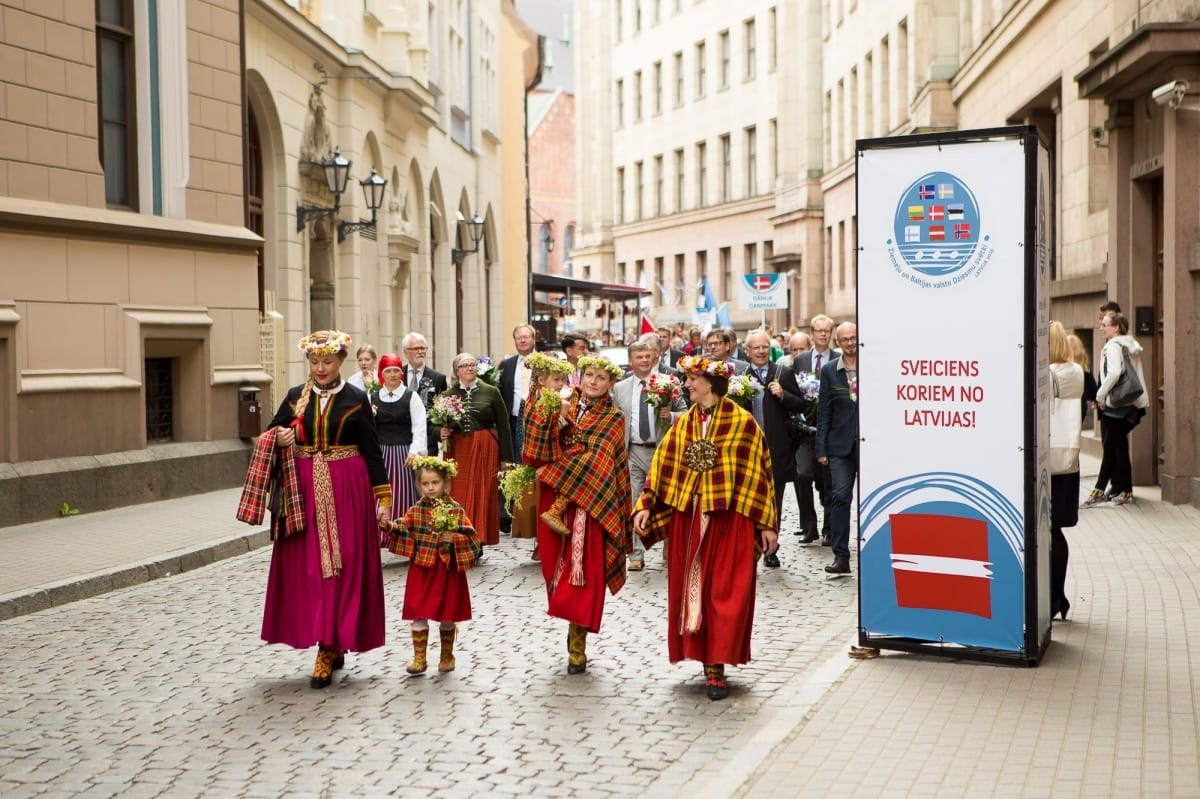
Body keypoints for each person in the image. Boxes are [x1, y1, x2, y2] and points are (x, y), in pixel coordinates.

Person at [632, 355, 779, 701]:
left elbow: (761, 476)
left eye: (692, 380)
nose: (686, 385)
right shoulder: (682, 425)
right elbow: (662, 467)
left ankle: (719, 660)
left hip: (732, 521)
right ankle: (710, 666)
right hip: (690, 520)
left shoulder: (743, 424)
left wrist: (766, 524)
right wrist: (646, 505)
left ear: (710, 383)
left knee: (728, 594)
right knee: (694, 589)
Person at [260, 330, 392, 689]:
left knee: (342, 564)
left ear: (340, 362)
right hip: (304, 492)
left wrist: (384, 499)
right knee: (311, 568)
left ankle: (330, 642)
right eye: (314, 361)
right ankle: (325, 638)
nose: (320, 368)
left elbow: (371, 450)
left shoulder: (356, 399)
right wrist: (281, 437)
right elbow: (270, 434)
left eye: (327, 361)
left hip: (347, 488)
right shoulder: (293, 398)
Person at [525, 354, 632, 674]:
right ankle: (567, 622)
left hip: (590, 505)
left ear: (611, 383)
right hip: (554, 499)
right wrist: (551, 421)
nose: (594, 382)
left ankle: (577, 647)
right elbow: (538, 446)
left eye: (601, 377)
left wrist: (561, 467)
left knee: (582, 573)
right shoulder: (562, 401)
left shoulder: (613, 417)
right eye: (589, 376)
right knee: (551, 564)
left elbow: (601, 463)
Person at [385, 456, 481, 674]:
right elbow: (404, 526)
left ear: (445, 483)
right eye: (425, 484)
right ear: (419, 485)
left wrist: (454, 538)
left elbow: (472, 538)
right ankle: (420, 658)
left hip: (446, 571)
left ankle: (447, 655)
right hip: (422, 568)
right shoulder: (416, 510)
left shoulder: (455, 509)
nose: (430, 488)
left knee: (447, 614)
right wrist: (389, 526)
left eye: (434, 483)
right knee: (418, 611)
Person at [613, 335, 687, 570]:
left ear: (654, 357)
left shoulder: (668, 382)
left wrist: (672, 415)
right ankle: (636, 554)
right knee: (635, 501)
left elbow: (685, 411)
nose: (644, 360)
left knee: (665, 499)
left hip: (662, 449)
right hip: (634, 450)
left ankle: (670, 546)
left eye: (647, 356)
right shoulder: (620, 388)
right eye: (639, 357)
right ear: (631, 361)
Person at [743, 330, 805, 568]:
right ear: (747, 351)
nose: (760, 352)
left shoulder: (783, 373)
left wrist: (783, 394)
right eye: (755, 348)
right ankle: (750, 545)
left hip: (775, 448)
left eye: (764, 347)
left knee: (774, 500)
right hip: (748, 450)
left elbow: (800, 403)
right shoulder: (740, 376)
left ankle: (771, 548)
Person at [437, 353, 514, 545]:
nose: (470, 368)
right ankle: (461, 536)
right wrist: (440, 431)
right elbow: (433, 423)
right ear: (457, 371)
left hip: (485, 447)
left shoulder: (491, 391)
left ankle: (479, 538)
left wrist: (506, 458)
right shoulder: (447, 396)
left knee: (484, 492)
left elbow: (504, 425)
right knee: (458, 492)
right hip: (458, 449)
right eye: (465, 366)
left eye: (473, 365)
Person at [1084, 311, 1148, 507]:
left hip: (1116, 405)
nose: (1101, 328)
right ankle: (1105, 490)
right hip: (1130, 403)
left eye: (1105, 325)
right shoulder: (1129, 344)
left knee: (1116, 449)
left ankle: (1120, 491)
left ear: (1116, 327)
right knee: (1114, 448)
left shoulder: (1113, 346)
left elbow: (1113, 373)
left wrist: (1100, 395)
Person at [793, 318, 840, 545]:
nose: (823, 335)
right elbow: (793, 391)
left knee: (829, 482)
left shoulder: (839, 359)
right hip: (805, 431)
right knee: (802, 475)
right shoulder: (800, 360)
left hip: (830, 431)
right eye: (819, 331)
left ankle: (830, 529)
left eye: (827, 331)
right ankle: (808, 527)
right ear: (812, 333)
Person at [816, 321, 858, 575]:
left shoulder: (872, 363)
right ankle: (841, 555)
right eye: (846, 339)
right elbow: (824, 410)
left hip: (870, 445)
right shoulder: (831, 370)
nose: (851, 342)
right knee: (841, 497)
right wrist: (821, 449)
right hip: (839, 446)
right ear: (838, 342)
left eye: (854, 338)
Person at [1048, 321, 1084, 621]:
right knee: (1055, 528)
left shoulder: (1049, 375)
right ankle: (1059, 595)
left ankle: (1054, 597)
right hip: (1068, 459)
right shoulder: (1076, 373)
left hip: (1048, 460)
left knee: (1049, 529)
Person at [371, 353, 428, 535]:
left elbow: (419, 427)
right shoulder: (371, 398)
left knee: (403, 493)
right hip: (380, 455)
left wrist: (414, 451)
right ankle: (378, 533)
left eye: (396, 370)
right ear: (382, 373)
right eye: (388, 371)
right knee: (378, 493)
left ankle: (403, 534)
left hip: (403, 454)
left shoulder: (411, 397)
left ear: (401, 373)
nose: (393, 374)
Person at [400, 332, 448, 446]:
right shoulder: (397, 374)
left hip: (427, 441)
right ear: (406, 352)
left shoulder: (438, 378)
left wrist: (438, 432)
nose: (420, 352)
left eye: (423, 348)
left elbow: (442, 412)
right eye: (416, 348)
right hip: (400, 440)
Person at [1067, 334, 1097, 427]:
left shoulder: (1064, 369)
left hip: (1066, 405)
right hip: (1080, 405)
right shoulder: (1085, 368)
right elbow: (1093, 390)